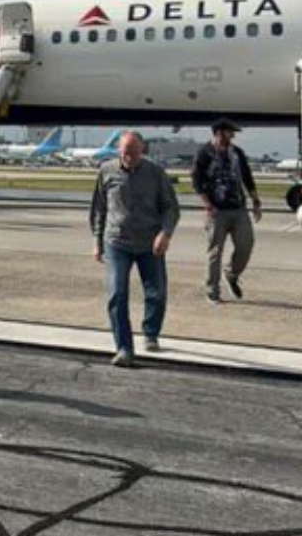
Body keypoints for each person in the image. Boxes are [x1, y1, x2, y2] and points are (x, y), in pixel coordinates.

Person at [90, 132, 180, 367]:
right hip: (116, 241)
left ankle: (151, 332)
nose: (130, 157)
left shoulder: (155, 173)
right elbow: (99, 208)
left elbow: (171, 207)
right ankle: (124, 348)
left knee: (156, 292)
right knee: (117, 294)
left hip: (150, 242)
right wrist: (97, 240)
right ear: (119, 150)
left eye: (135, 153)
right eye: (126, 153)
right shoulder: (106, 171)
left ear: (143, 151)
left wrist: (166, 233)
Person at [191, 118, 261, 304]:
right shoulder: (204, 153)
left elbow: (247, 177)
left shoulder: (237, 153)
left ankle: (231, 273)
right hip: (216, 211)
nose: (233, 135)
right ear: (220, 132)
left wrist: (256, 201)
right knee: (215, 252)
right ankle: (212, 291)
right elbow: (196, 181)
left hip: (238, 208)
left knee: (246, 245)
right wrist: (207, 204)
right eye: (231, 132)